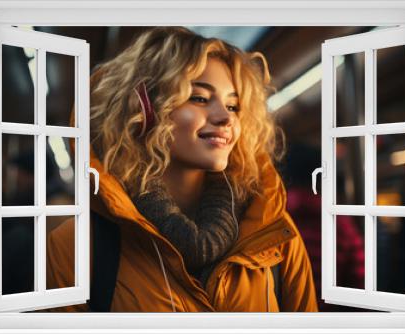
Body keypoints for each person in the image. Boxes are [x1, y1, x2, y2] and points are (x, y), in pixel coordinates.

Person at [46, 27, 318, 312]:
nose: (225, 118)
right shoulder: (77, 247)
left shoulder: (273, 235)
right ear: (145, 110)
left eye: (234, 106)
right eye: (199, 98)